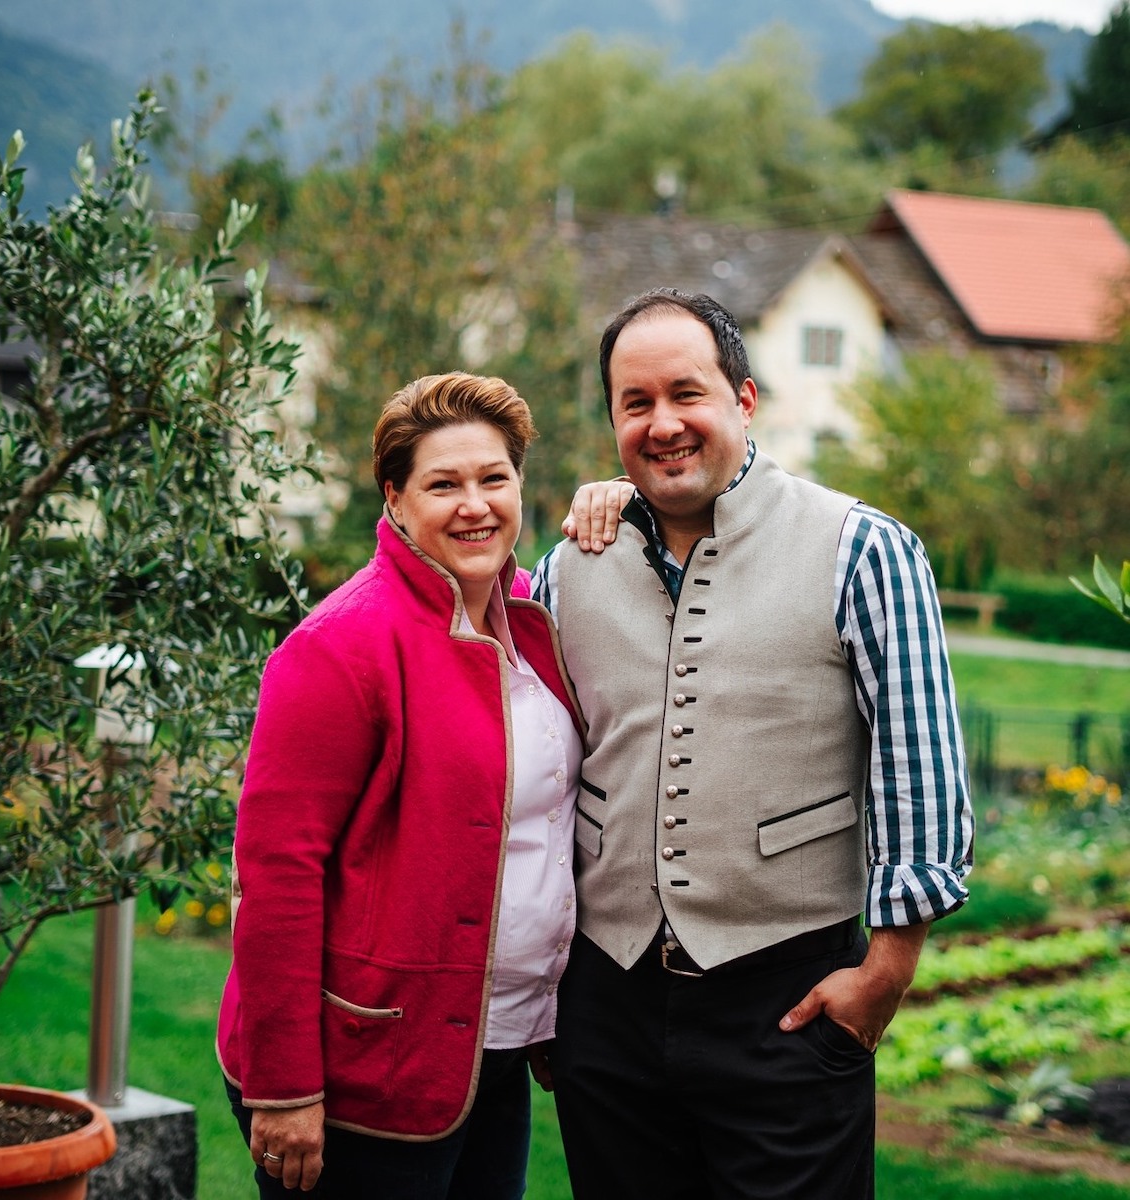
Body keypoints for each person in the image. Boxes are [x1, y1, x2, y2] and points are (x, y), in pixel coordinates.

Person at [532, 288, 974, 1199]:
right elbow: (532, 772)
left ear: (743, 398)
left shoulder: (864, 549)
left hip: (787, 1002)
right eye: (635, 403)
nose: (663, 425)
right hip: (605, 1007)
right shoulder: (566, 569)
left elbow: (920, 773)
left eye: (686, 394)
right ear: (612, 419)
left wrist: (883, 977)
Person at [217, 372, 585, 1198]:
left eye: (495, 479)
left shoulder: (528, 621)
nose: (476, 505)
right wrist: (284, 1087)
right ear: (394, 496)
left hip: (490, 1050)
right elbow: (275, 875)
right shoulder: (339, 648)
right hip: (364, 1067)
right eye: (443, 484)